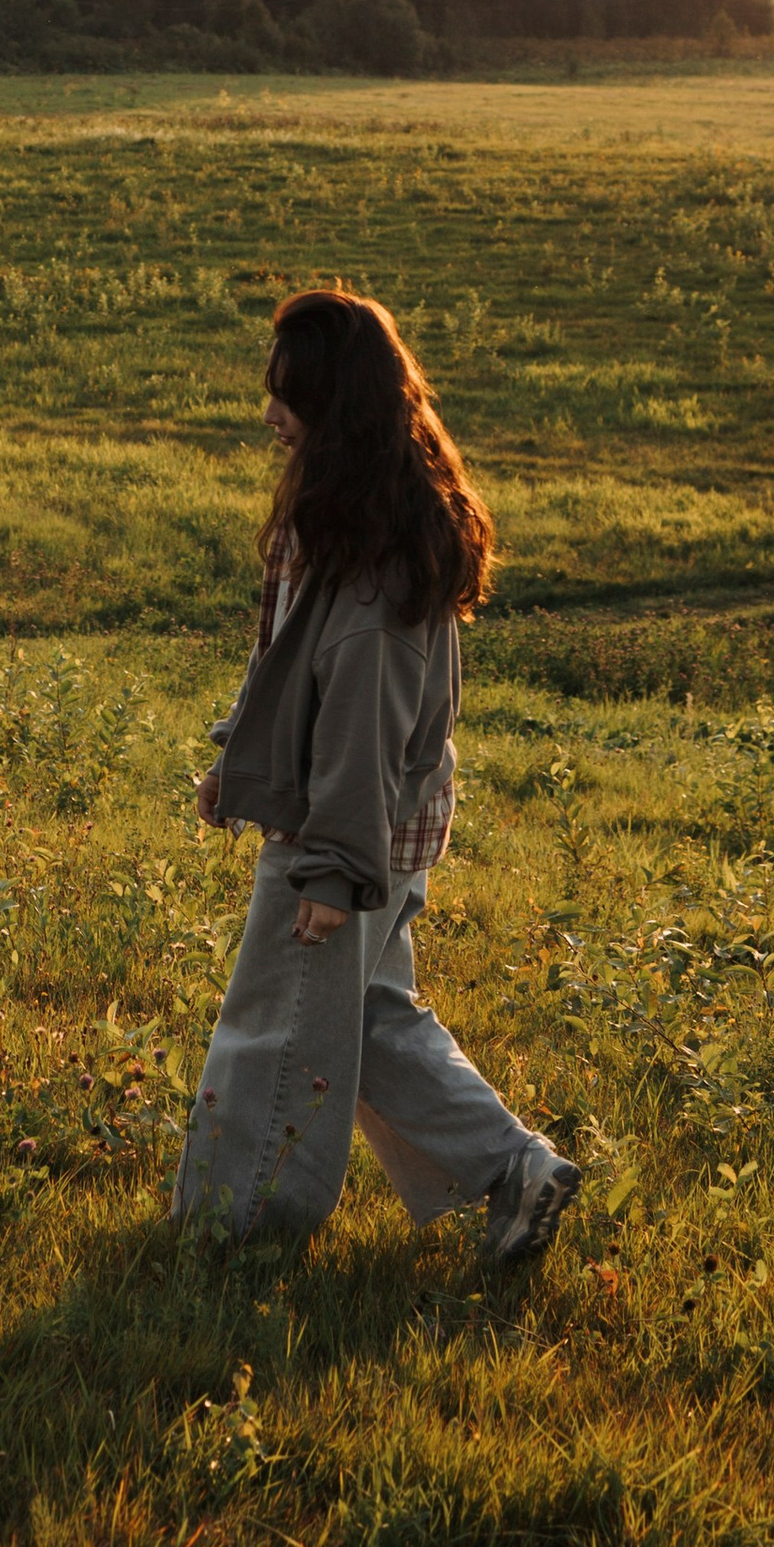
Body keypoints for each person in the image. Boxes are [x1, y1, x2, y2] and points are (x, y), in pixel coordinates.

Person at [172, 286, 578, 1261]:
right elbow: (286, 666)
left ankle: (238, 1231)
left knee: (279, 1031)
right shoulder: (344, 514)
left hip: (348, 832)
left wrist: (331, 872)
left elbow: (360, 731)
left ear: (335, 408)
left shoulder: (374, 564)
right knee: (365, 1019)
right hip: (362, 825)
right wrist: (240, 758)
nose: (268, 415)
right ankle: (515, 1171)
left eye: (288, 397)